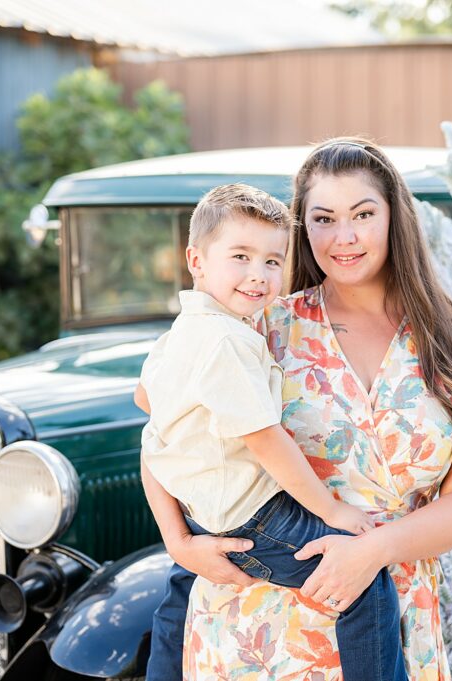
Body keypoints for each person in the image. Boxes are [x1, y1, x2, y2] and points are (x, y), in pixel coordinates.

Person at [145, 138, 452, 680]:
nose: (345, 237)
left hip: (391, 623)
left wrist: (371, 552)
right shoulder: (260, 326)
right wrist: (178, 541)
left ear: (394, 218)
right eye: (323, 218)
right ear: (302, 229)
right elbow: (164, 429)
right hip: (258, 630)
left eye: (363, 214)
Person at [137, 183, 410, 681]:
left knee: (179, 589)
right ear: (196, 260)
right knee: (363, 582)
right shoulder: (228, 341)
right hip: (254, 513)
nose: (258, 275)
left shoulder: (183, 333)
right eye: (240, 256)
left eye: (271, 260)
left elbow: (146, 407)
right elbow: (264, 439)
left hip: (206, 513)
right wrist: (331, 510)